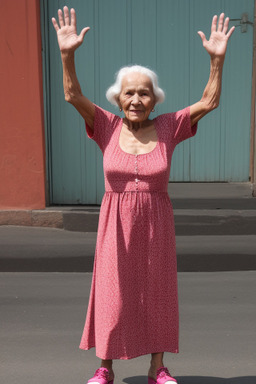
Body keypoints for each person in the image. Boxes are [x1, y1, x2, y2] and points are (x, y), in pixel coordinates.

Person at [52, 7, 235, 384]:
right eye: (129, 93)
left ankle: (158, 367)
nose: (136, 99)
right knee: (112, 293)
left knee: (157, 291)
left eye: (144, 93)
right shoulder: (105, 124)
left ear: (155, 100)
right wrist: (67, 54)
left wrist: (217, 62)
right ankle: (105, 367)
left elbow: (209, 102)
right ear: (118, 99)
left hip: (156, 220)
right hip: (114, 222)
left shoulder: (170, 126)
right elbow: (72, 94)